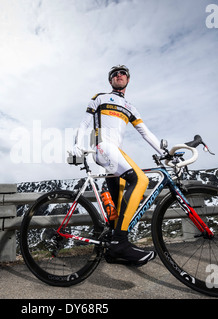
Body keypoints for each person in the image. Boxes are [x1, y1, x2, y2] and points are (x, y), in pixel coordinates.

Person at [71, 65, 164, 266]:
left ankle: (114, 253)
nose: (119, 75)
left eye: (123, 73)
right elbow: (84, 123)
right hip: (103, 147)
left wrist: (166, 153)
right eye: (115, 74)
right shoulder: (100, 97)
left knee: (119, 204)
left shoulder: (131, 107)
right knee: (140, 180)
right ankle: (120, 243)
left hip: (117, 152)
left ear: (128, 80)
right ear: (110, 80)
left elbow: (146, 133)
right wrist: (78, 144)